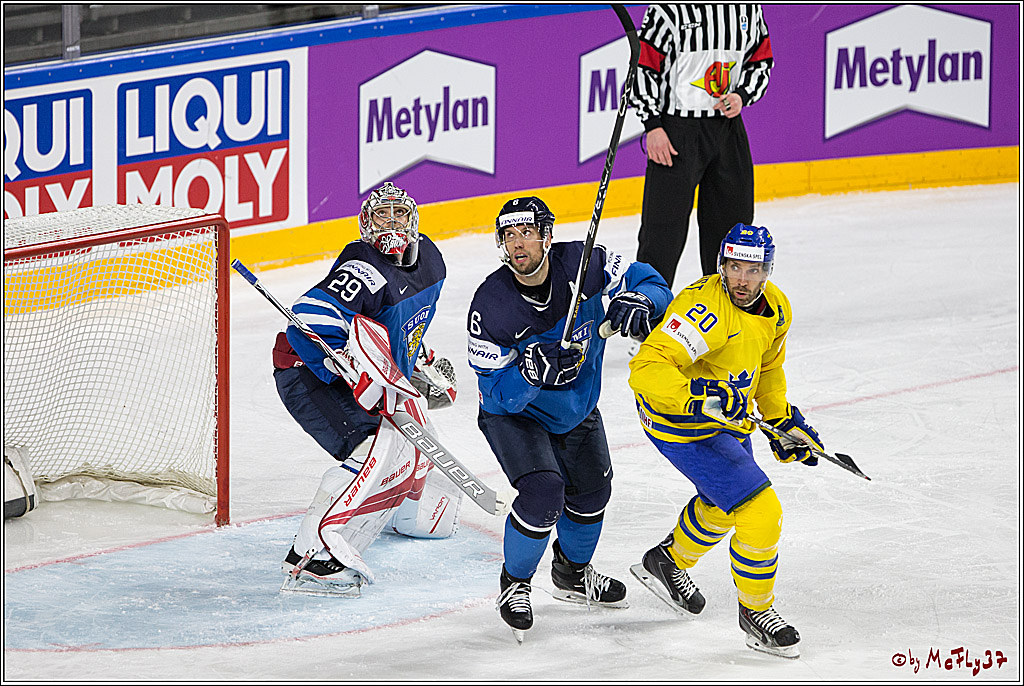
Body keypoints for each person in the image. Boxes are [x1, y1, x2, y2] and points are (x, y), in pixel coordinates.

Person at [467, 196, 673, 641]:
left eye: (526, 232)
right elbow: (495, 395)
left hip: (577, 409)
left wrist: (641, 300)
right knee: (544, 493)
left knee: (593, 493)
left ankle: (572, 574)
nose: (518, 243)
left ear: (546, 235)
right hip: (517, 417)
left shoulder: (586, 263)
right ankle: (515, 583)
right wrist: (531, 373)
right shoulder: (492, 304)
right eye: (509, 235)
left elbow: (653, 282)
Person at [626, 223, 824, 659]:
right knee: (760, 510)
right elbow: (646, 367)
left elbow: (768, 368)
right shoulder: (705, 312)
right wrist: (694, 398)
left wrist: (780, 420)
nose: (742, 278)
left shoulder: (777, 309)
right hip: (680, 422)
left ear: (766, 271)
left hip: (726, 420)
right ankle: (756, 613)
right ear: (722, 265)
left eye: (752, 269)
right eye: (734, 267)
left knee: (723, 501)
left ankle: (668, 561)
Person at [271, 181, 462, 596]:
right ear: (365, 225)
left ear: (414, 222)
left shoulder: (431, 262)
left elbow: (398, 327)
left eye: (399, 215)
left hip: (357, 373)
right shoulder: (363, 267)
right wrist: (343, 356)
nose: (390, 224)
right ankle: (311, 559)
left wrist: (416, 364)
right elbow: (308, 316)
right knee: (369, 450)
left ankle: (400, 514)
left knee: (413, 443)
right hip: (307, 369)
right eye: (381, 216)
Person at [628, 4, 773, 288]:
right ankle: (646, 309)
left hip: (727, 130)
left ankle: (727, 309)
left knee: (731, 227)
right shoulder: (667, 10)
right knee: (661, 233)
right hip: (676, 131)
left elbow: (761, 59)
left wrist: (743, 95)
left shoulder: (748, 9)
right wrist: (653, 125)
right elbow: (644, 66)